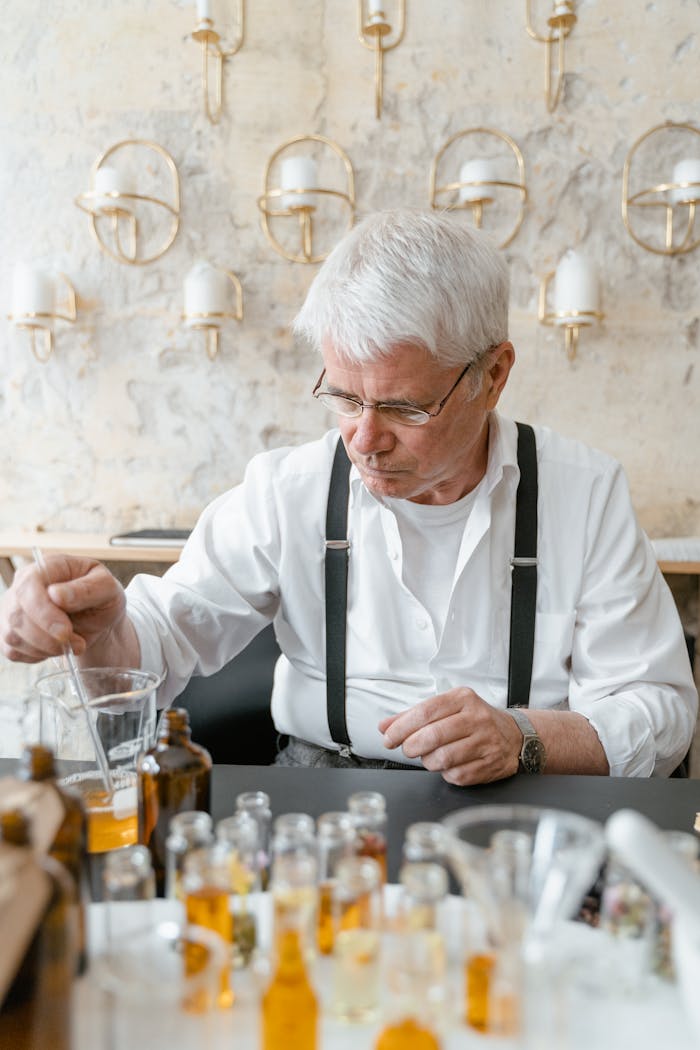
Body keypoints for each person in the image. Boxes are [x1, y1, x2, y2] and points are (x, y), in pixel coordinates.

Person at [1, 209, 696, 784]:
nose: (364, 440)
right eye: (343, 397)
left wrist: (525, 737)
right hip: (317, 789)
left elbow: (658, 713)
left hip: (527, 801)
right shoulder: (288, 489)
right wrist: (97, 630)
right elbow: (157, 645)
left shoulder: (585, 494)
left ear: (493, 374)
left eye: (403, 407)